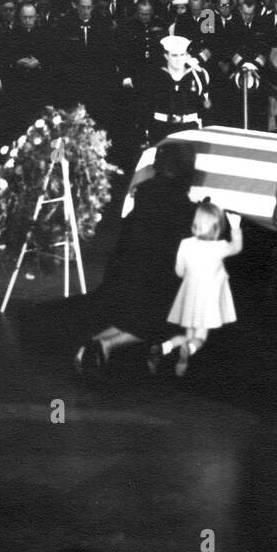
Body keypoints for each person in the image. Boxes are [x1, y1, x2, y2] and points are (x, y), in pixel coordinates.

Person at [74, 140, 198, 382]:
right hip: (153, 273)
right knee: (153, 323)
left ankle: (94, 343)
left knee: (128, 320)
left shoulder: (145, 191)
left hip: (127, 268)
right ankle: (105, 347)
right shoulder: (179, 201)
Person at [153, 199, 244, 378]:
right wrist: (236, 228)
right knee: (200, 336)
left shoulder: (186, 244)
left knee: (188, 332)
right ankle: (190, 349)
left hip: (189, 298)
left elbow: (179, 272)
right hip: (208, 300)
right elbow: (236, 247)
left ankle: (164, 347)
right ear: (217, 229)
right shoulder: (220, 247)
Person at [147, 34, 209, 146]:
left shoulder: (197, 76)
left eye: (182, 55)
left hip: (189, 130)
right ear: (166, 56)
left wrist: (206, 130)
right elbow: (147, 106)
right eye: (174, 55)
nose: (178, 59)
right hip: (161, 130)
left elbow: (206, 105)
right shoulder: (156, 77)